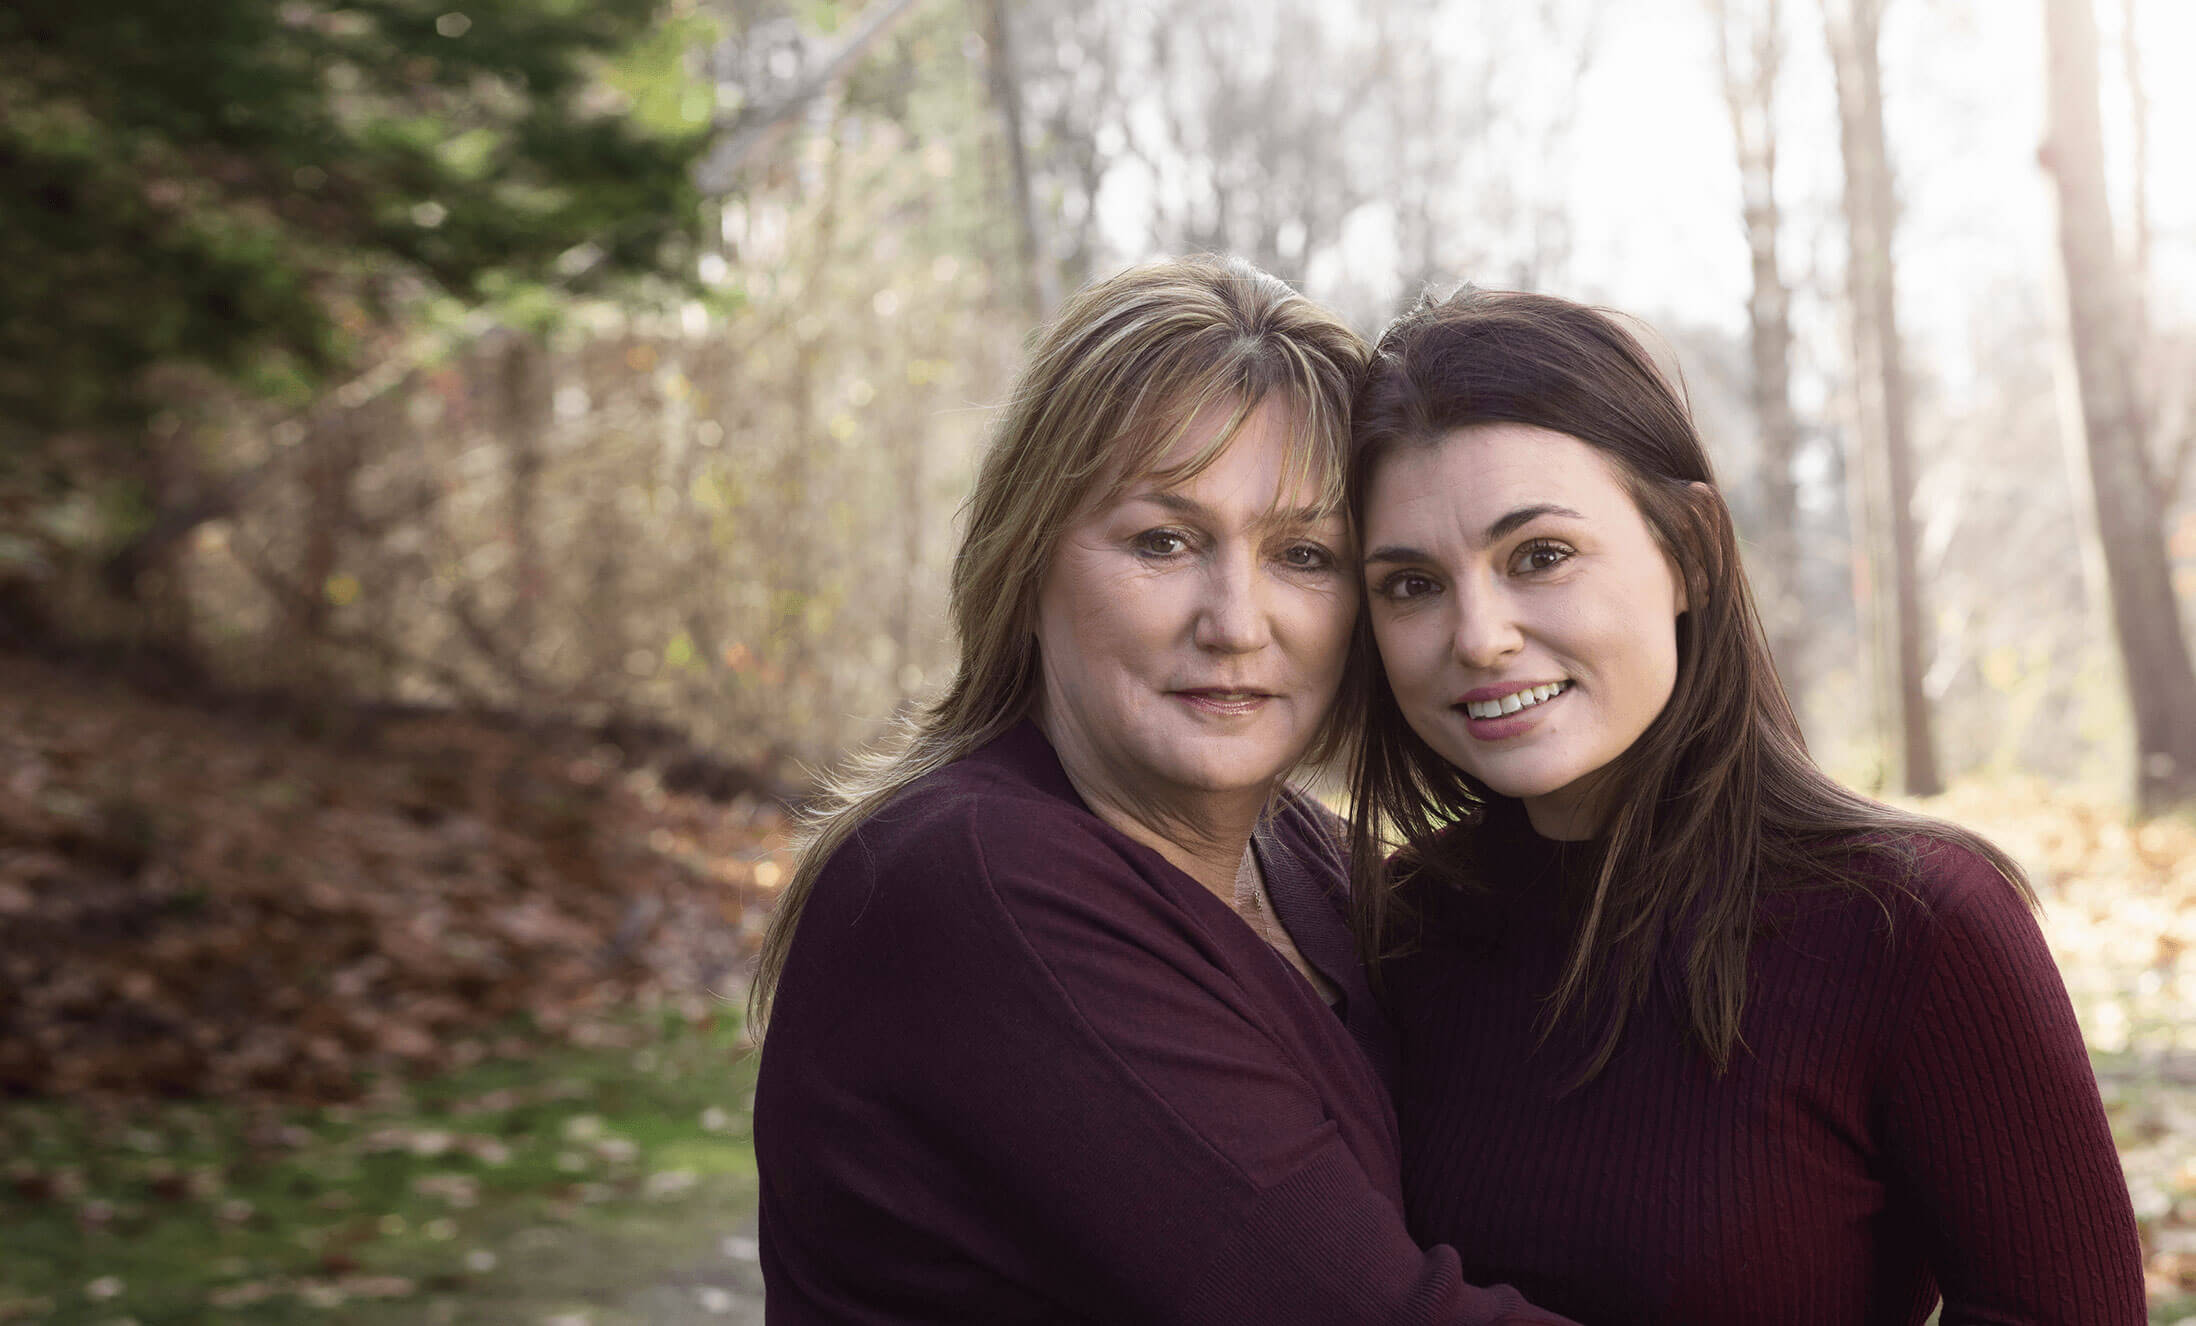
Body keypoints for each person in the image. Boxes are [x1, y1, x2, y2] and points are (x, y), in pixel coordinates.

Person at [750, 258, 1571, 1325]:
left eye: (1304, 554)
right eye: (1163, 541)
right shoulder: (978, 884)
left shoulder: (1296, 855)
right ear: (1028, 558)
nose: (1236, 621)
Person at [1344, 286, 2146, 1324]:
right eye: (1411, 584)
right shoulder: (1388, 933)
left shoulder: (1914, 924)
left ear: (1692, 551)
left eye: (1539, 556)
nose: (1479, 635)